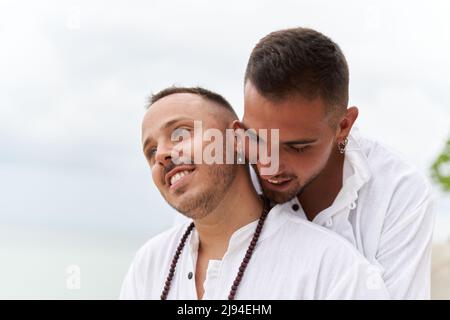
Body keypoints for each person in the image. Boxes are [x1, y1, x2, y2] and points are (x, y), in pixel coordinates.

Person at [119, 86, 389, 300]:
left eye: (180, 133)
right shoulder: (150, 263)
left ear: (238, 141)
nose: (162, 155)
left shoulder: (332, 267)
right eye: (151, 151)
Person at [237, 27, 435, 299]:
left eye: (297, 147)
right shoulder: (221, 177)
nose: (269, 166)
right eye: (257, 140)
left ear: (344, 126)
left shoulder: (399, 193)